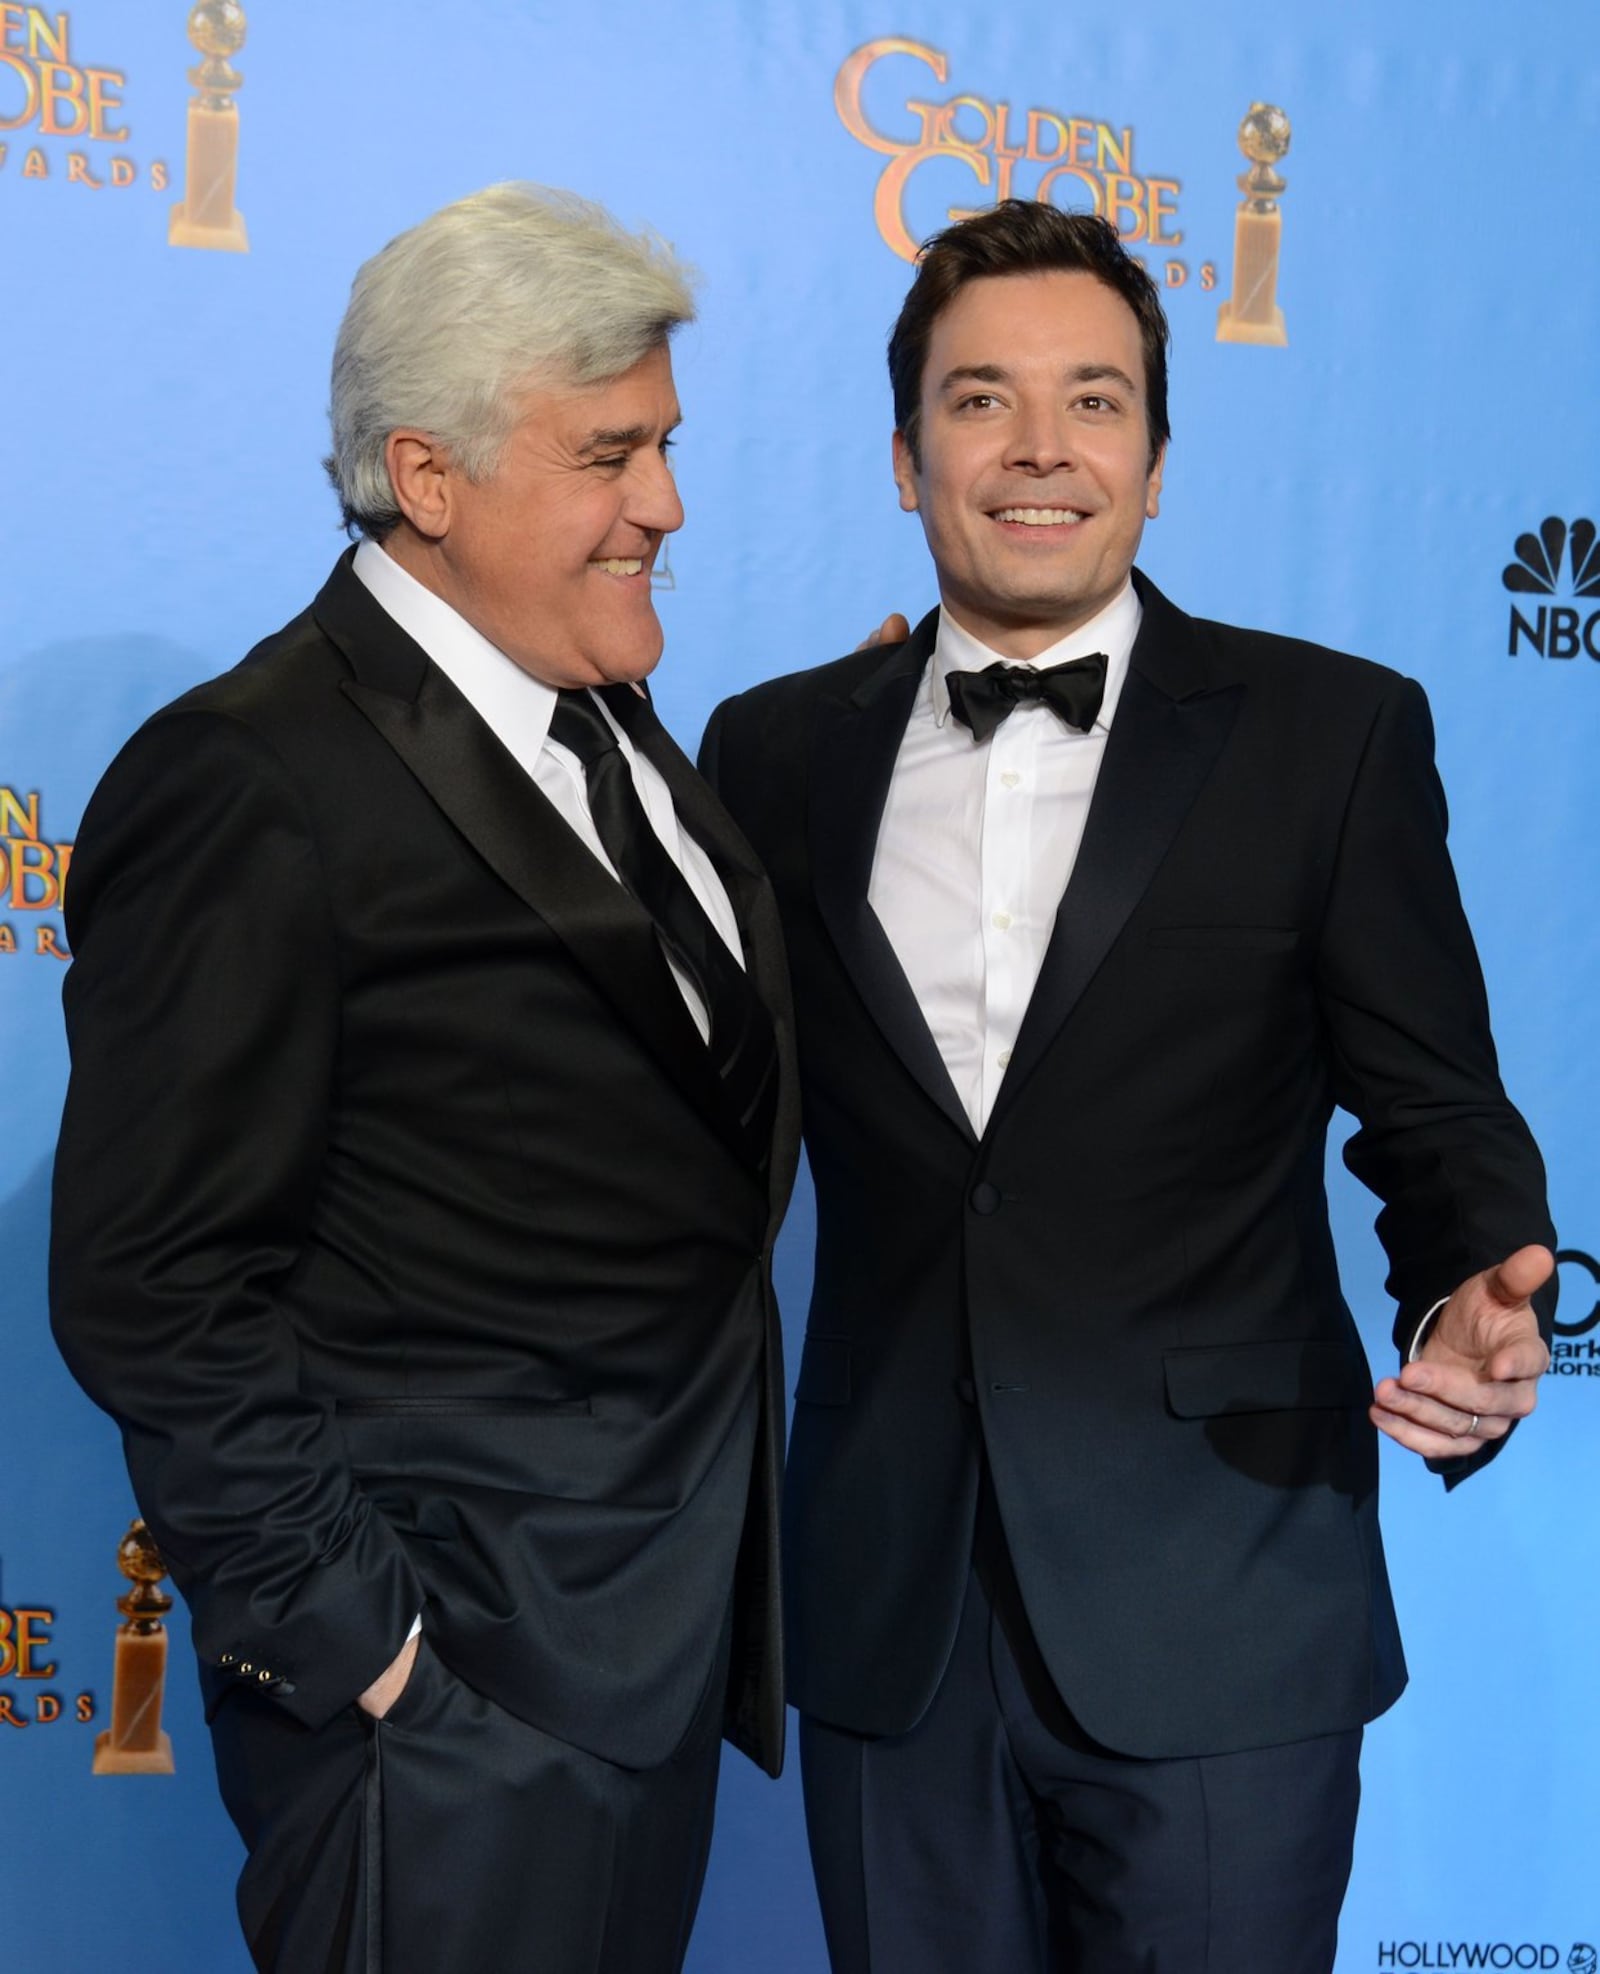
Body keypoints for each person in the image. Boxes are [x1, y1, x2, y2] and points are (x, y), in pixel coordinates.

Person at [701, 200, 1556, 1974]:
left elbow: (1436, 1106)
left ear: (1157, 460)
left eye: (1093, 403)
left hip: (1224, 1585)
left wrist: (1479, 1278)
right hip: (889, 1602)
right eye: (979, 401)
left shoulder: (1331, 735)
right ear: (904, 452)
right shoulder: (771, 750)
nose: (1037, 450)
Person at [50, 183, 799, 1974]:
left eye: (668, 448)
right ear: (430, 476)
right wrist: (370, 1650)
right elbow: (150, 1281)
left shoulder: (608, 713)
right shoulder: (253, 777)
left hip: (653, 1656)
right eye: (611, 456)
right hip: (447, 1700)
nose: (668, 508)